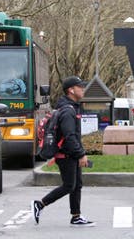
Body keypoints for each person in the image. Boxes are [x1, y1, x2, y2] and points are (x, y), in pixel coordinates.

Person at [31, 76, 95, 227]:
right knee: (69, 185)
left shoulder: (70, 107)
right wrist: (81, 154)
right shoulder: (68, 111)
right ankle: (40, 204)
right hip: (66, 155)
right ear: (71, 90)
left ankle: (76, 216)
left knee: (77, 185)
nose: (83, 89)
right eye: (80, 87)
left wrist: (78, 154)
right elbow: (69, 136)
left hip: (70, 154)